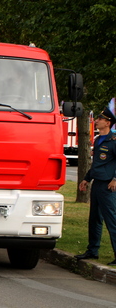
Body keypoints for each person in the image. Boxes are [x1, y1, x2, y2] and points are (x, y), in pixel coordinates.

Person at [75, 106, 116, 266]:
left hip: (108, 187)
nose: (96, 121)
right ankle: (93, 250)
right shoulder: (99, 139)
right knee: (94, 219)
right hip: (97, 183)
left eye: (99, 119)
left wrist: (115, 178)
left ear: (108, 122)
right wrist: (86, 178)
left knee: (111, 220)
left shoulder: (113, 141)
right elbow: (97, 164)